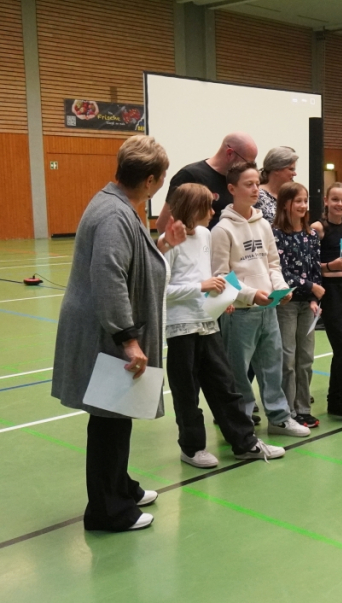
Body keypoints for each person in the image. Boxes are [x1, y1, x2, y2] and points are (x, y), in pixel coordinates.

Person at [52, 135, 182, 532]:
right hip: (107, 334)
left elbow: (130, 260)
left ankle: (120, 487)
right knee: (109, 419)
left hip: (107, 329)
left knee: (117, 415)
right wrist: (128, 339)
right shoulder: (114, 214)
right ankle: (107, 511)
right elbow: (109, 277)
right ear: (150, 180)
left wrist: (161, 245)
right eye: (162, 177)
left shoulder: (119, 205)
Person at [164, 183, 285, 468]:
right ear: (192, 208)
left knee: (225, 386)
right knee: (187, 392)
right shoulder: (169, 243)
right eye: (206, 206)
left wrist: (222, 296)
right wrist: (201, 287)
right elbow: (161, 289)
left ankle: (245, 442)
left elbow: (210, 276)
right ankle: (192, 448)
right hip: (181, 328)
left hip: (208, 323)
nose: (212, 211)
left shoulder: (205, 234)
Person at [211, 162, 310, 438]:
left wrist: (281, 287)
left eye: (257, 183)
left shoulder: (263, 223)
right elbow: (221, 275)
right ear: (232, 189)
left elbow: (272, 264)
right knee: (238, 371)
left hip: (269, 309)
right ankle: (241, 422)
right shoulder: (222, 230)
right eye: (248, 184)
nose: (256, 189)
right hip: (240, 313)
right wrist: (251, 294)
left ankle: (279, 419)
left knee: (272, 367)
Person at [272, 182, 323, 428]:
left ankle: (303, 408)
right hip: (287, 303)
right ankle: (288, 410)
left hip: (307, 305)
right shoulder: (276, 235)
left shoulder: (311, 235)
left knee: (306, 358)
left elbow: (315, 268)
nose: (303, 205)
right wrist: (310, 287)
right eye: (298, 201)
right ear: (285, 204)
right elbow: (281, 271)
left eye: (305, 200)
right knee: (288, 358)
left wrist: (314, 298)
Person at [311, 183, 342, 429]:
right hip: (331, 292)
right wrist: (331, 266)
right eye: (335, 199)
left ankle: (334, 401)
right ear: (326, 201)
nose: (339, 204)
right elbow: (309, 266)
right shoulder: (318, 229)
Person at [157, 132, 258, 232]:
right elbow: (164, 224)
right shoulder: (190, 176)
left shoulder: (238, 180)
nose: (248, 168)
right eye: (247, 162)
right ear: (230, 153)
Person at [256, 146, 299, 221]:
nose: (295, 174)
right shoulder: (257, 195)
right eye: (291, 169)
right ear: (276, 169)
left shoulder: (289, 195)